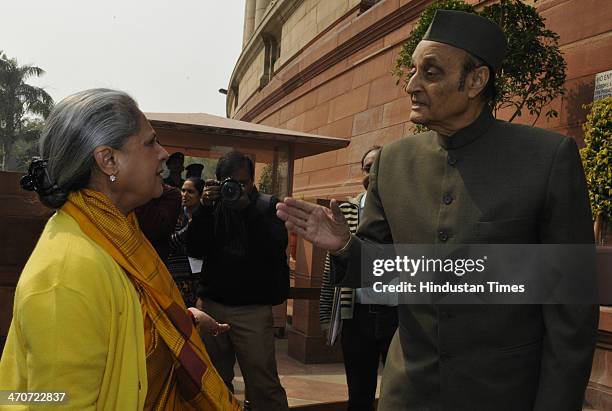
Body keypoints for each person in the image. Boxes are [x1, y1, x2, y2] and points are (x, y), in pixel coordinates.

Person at [276, 11, 598, 411]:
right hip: (408, 394)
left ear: (476, 81)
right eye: (412, 71)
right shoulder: (392, 162)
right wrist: (345, 247)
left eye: (430, 72)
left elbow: (572, 310)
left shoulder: (547, 159)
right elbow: (389, 270)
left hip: (503, 395)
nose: (411, 85)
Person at [0, 89, 240, 410]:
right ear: (108, 160)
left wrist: (183, 321)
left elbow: (120, 321)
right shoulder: (67, 274)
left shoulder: (116, 234)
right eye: (150, 142)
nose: (163, 153)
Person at [187, 150, 290, 411]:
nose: (237, 189)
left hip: (252, 310)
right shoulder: (212, 207)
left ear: (252, 180)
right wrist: (203, 210)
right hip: (212, 306)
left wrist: (247, 210)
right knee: (214, 383)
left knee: (263, 385)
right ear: (219, 182)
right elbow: (196, 248)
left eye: (243, 183)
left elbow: (275, 246)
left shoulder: (266, 206)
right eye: (230, 183)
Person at [319, 145, 397, 411]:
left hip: (398, 317)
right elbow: (333, 268)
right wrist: (325, 318)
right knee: (359, 396)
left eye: (379, 167)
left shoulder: (406, 211)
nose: (372, 174)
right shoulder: (346, 211)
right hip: (357, 316)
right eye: (367, 168)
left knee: (398, 393)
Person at [166, 176, 206, 307]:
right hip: (177, 277)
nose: (185, 195)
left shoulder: (207, 217)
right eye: (183, 190)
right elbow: (169, 243)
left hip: (201, 280)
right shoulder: (175, 215)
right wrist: (189, 227)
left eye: (190, 191)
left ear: (200, 194)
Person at [135, 183, 182, 261]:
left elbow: (156, 231)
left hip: (155, 258)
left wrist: (143, 192)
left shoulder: (170, 194)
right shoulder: (125, 191)